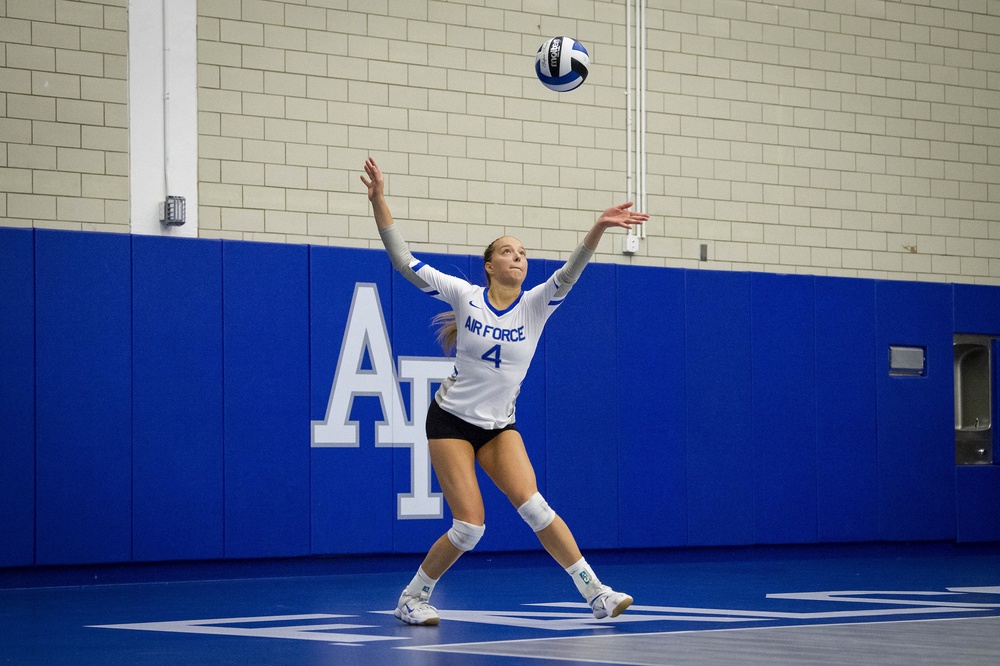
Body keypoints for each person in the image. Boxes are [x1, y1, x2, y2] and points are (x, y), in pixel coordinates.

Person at [361, 156, 648, 626]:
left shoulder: (536, 306)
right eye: (510, 252)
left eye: (524, 252)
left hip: (498, 426)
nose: (520, 257)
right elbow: (403, 261)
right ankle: (413, 598)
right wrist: (379, 201)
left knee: (535, 507)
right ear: (490, 265)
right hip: (451, 420)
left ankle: (596, 594)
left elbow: (572, 270)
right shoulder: (464, 295)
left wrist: (597, 228)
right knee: (470, 526)